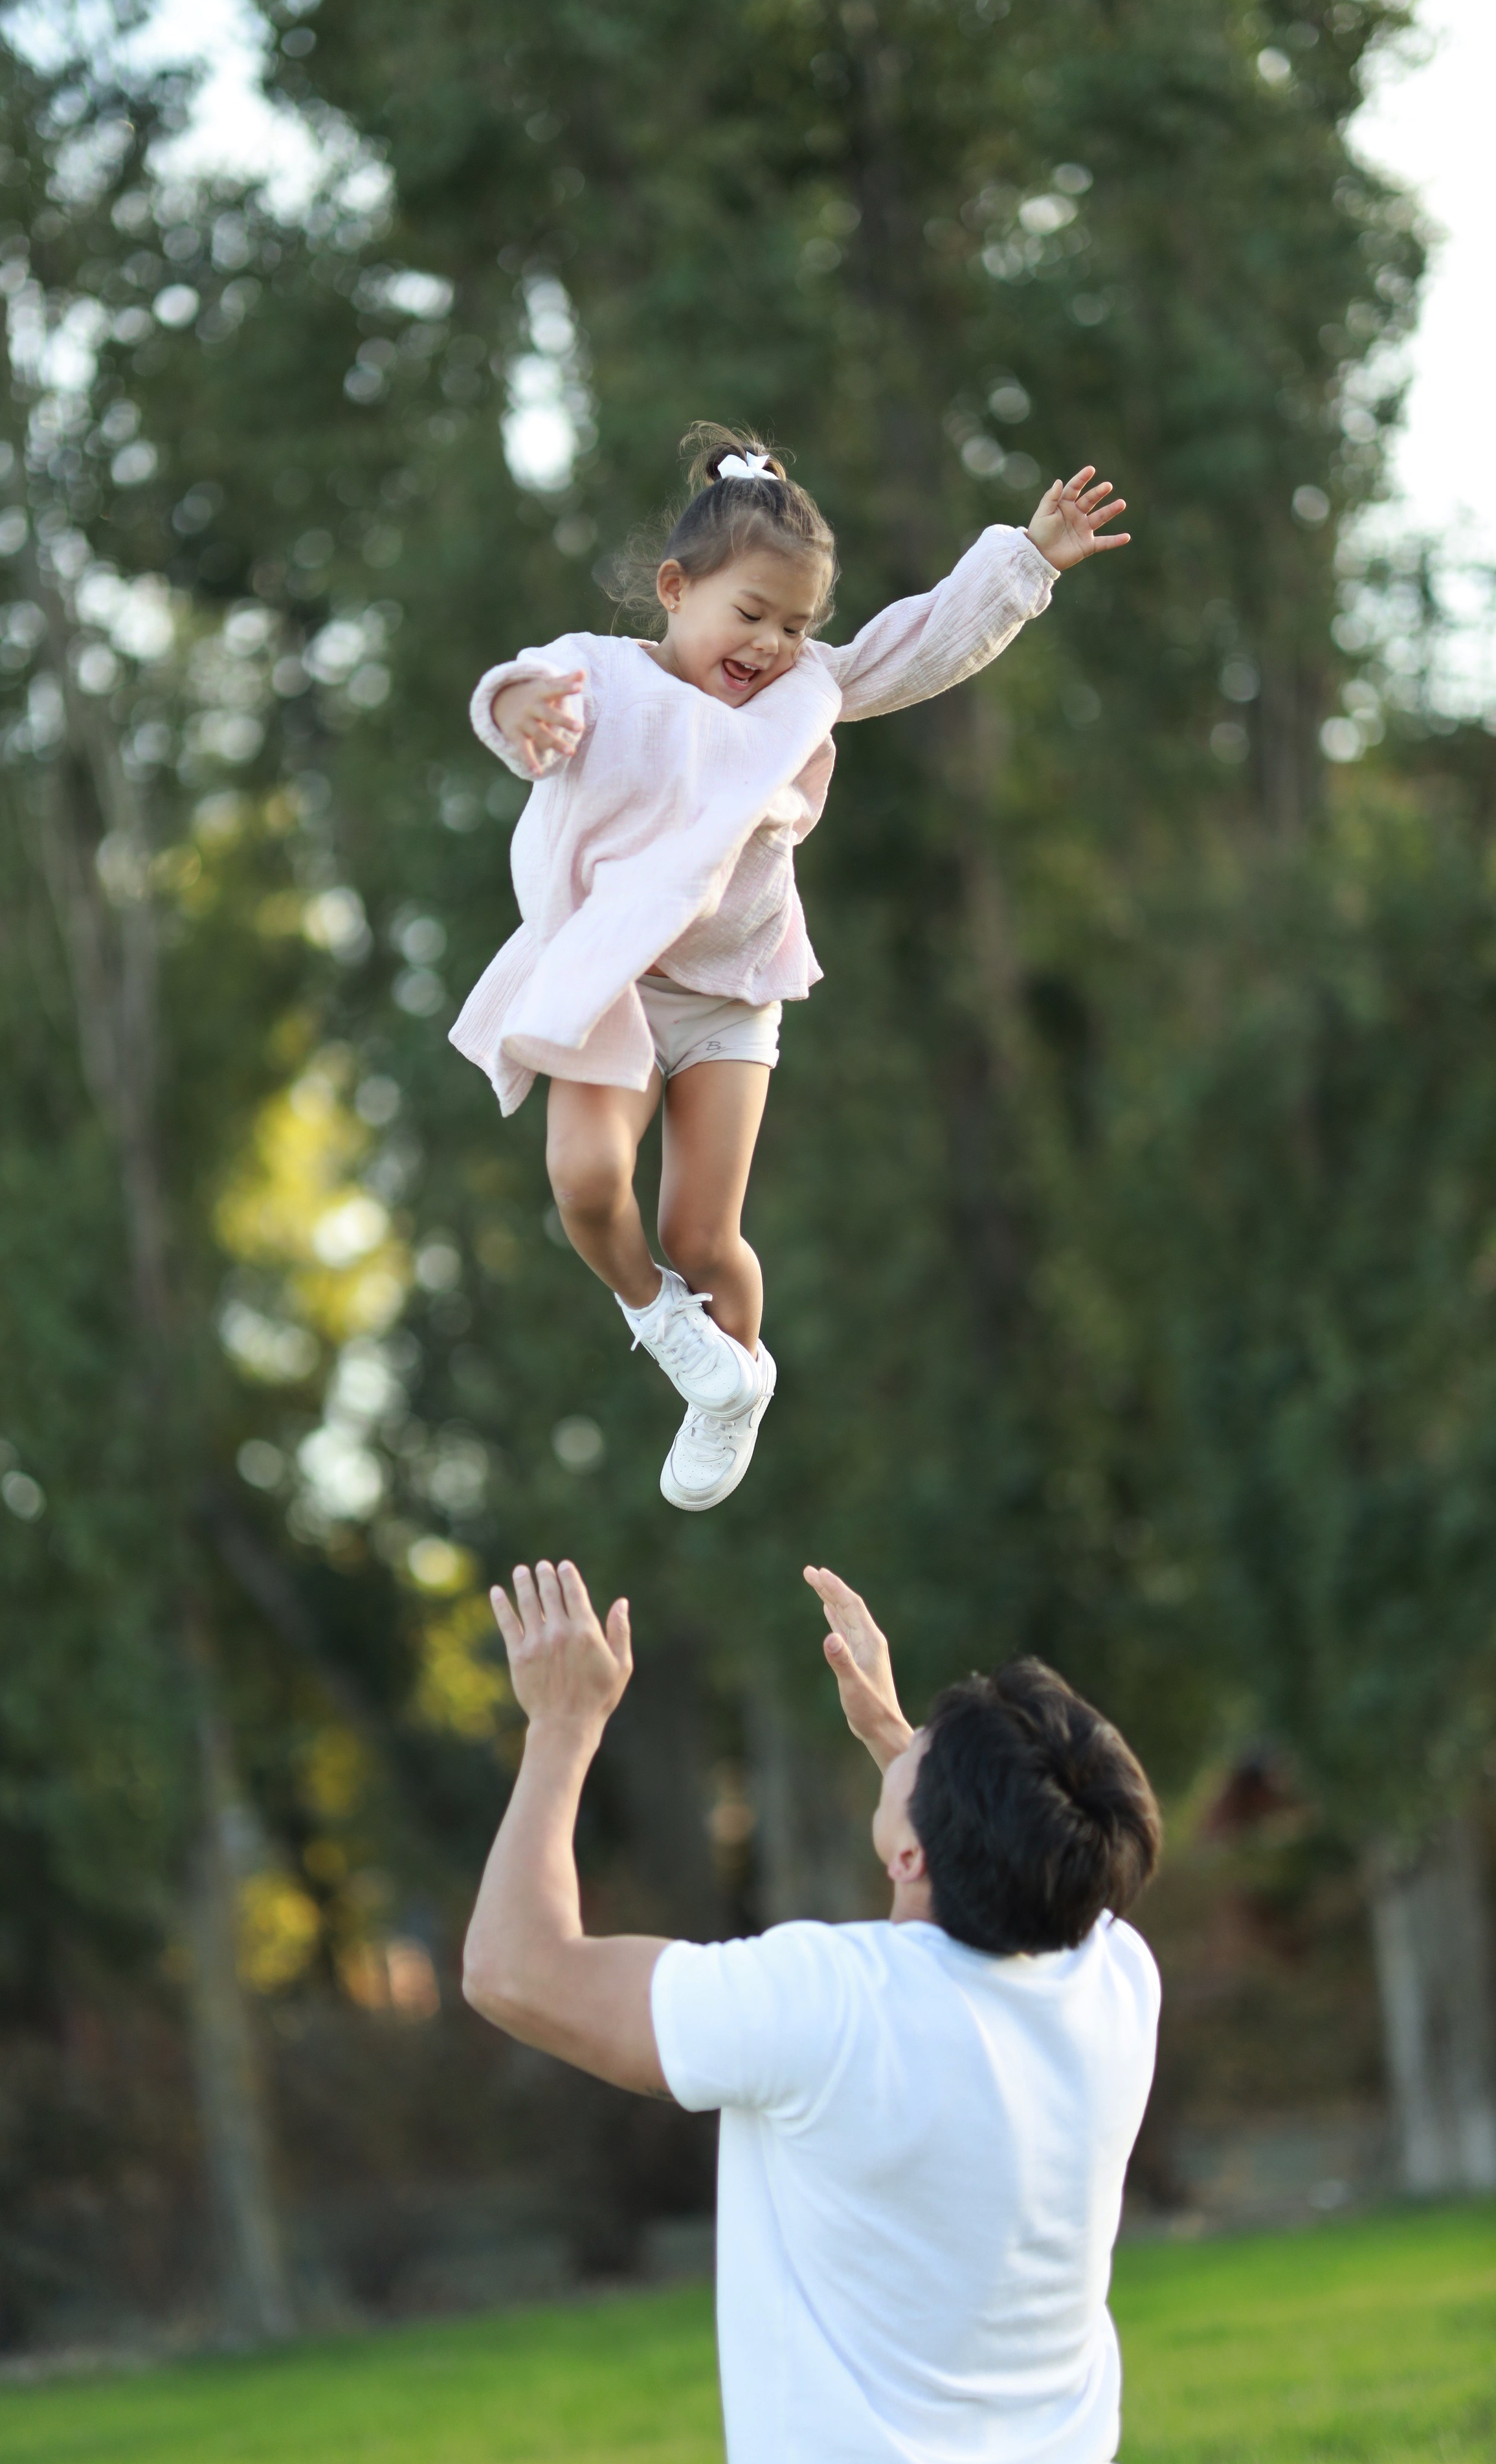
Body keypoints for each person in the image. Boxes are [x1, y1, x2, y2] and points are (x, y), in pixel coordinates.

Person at [451, 427, 1130, 1512]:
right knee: (584, 1182)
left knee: (700, 1236)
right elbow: (525, 693)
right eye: (752, 614)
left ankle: (736, 1391)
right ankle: (663, 1327)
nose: (771, 645)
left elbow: (923, 641)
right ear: (675, 589)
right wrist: (516, 710)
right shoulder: (603, 673)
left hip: (732, 995)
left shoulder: (804, 689)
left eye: (796, 625)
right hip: (612, 981)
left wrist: (1028, 557)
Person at [463, 1555, 1162, 2464]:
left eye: (923, 1754)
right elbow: (1014, 1869)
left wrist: (563, 1727)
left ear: (911, 1856)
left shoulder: (831, 2004)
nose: (911, 1739)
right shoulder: (1116, 1976)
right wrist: (897, 1745)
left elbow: (514, 1971)